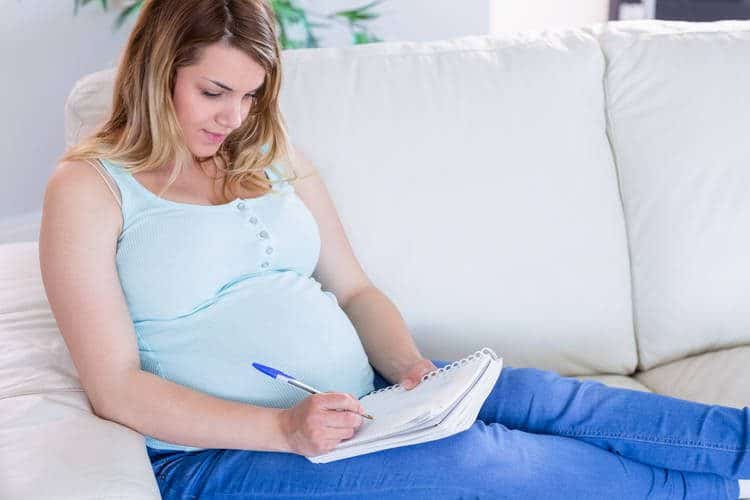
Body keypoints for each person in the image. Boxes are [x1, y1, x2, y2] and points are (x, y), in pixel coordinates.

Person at [39, 1, 749, 498]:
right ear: (156, 71)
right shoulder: (90, 187)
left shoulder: (269, 153)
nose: (234, 117)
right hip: (227, 455)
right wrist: (283, 428)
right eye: (215, 92)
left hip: (371, 399)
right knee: (489, 464)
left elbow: (353, 290)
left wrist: (410, 366)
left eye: (253, 95)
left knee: (552, 400)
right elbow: (116, 387)